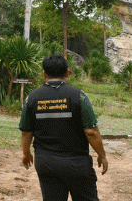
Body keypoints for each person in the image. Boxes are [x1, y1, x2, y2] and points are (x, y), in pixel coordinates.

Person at [20, 55, 108, 201]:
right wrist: (102, 155)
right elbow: (91, 131)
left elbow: (26, 132)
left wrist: (26, 153)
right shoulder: (79, 96)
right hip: (77, 164)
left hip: (46, 163)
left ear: (44, 74)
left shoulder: (32, 98)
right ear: (67, 73)